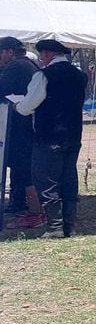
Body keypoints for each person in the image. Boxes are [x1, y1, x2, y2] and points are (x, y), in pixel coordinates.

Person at [16, 39, 88, 238]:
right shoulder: (80, 76)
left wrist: (16, 105)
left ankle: (55, 227)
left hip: (48, 136)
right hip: (73, 134)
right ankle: (70, 225)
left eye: (42, 56)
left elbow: (27, 107)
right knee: (68, 179)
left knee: (47, 181)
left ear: (47, 55)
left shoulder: (43, 75)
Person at [0, 36, 44, 228]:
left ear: (9, 52)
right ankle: (19, 202)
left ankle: (29, 207)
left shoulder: (15, 67)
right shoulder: (31, 65)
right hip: (28, 123)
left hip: (17, 123)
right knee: (20, 166)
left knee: (21, 166)